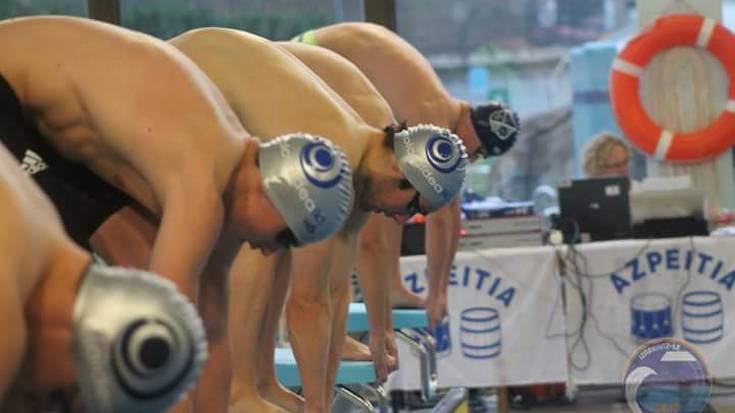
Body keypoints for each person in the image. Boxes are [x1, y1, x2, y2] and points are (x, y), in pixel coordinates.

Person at [0, 16, 353, 413]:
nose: (272, 251)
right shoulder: (200, 182)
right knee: (51, 298)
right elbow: (165, 325)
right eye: (285, 237)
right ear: (272, 194)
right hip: (9, 90)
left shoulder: (229, 175)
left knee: (142, 265)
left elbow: (210, 331)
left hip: (49, 127)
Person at [167, 27, 468, 413]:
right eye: (411, 208)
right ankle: (240, 390)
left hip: (211, 75)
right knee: (263, 239)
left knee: (279, 237)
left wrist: (320, 401)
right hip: (179, 79)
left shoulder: (363, 161)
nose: (400, 218)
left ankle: (262, 383)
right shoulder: (333, 165)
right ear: (399, 171)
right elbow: (307, 303)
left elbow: (335, 292)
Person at [293, 21, 520, 330]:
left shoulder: (438, 112)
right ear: (472, 126)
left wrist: (440, 290)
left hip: (310, 57)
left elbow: (448, 211)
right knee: (365, 201)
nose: (471, 159)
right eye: (478, 152)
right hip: (304, 61)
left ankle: (386, 287)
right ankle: (332, 317)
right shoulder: (432, 118)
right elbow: (442, 216)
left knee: (392, 192)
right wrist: (436, 296)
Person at [0, 143, 207, 413]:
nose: (36, 409)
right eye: (56, 400)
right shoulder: (7, 325)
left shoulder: (36, 221)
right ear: (78, 340)